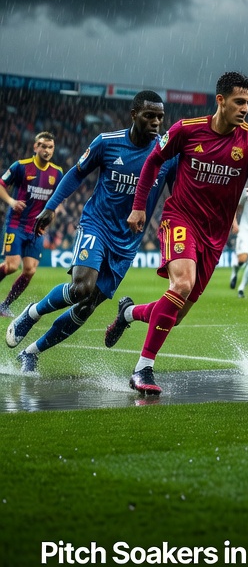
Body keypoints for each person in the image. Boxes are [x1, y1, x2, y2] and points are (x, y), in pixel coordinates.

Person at [105, 72, 248, 395]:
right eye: (239, 102)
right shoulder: (186, 130)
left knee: (176, 314)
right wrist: (139, 206)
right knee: (181, 284)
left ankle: (128, 312)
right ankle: (143, 369)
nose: (245, 109)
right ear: (221, 100)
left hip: (215, 236)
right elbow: (153, 163)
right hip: (180, 218)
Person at [7, 93, 173, 370]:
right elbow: (75, 173)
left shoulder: (166, 154)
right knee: (82, 286)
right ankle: (32, 313)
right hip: (97, 224)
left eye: (160, 117)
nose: (156, 122)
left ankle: (31, 353)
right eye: (149, 115)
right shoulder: (107, 143)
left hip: (128, 241)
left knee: (86, 307)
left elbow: (179, 192)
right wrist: (51, 206)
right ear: (134, 115)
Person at [0, 132, 62, 316]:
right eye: (43, 146)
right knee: (11, 266)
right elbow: (1, 184)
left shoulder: (57, 173)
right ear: (35, 147)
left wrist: (49, 219)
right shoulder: (20, 166)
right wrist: (11, 202)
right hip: (16, 224)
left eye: (50, 147)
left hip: (36, 230)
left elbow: (56, 201)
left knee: (30, 270)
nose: (47, 150)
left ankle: (4, 305)